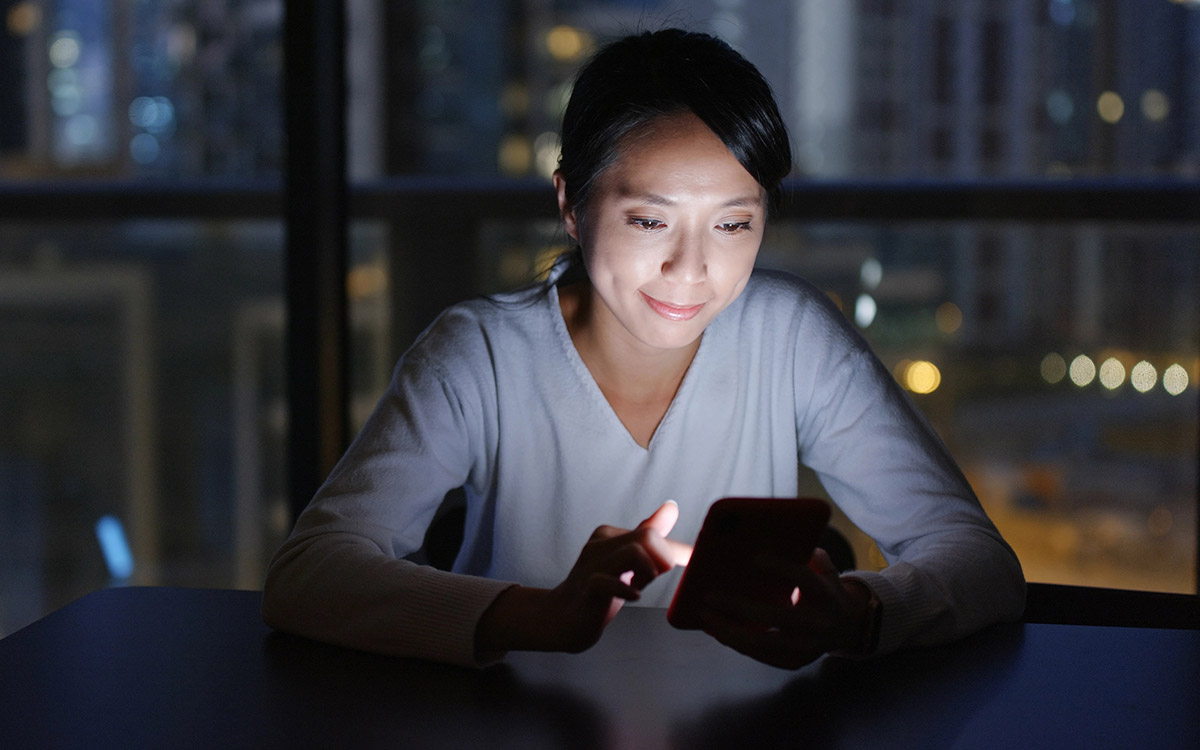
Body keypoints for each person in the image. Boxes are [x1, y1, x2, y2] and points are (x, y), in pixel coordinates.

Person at [262, 28, 1025, 669]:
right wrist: (538, 616)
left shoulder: (788, 335)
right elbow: (309, 574)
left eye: (733, 224)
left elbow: (978, 559)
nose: (691, 270)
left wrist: (857, 613)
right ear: (570, 203)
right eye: (650, 221)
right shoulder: (482, 355)